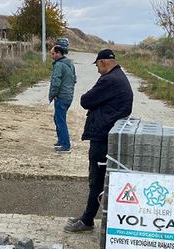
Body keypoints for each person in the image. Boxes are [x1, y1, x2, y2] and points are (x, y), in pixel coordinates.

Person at [64, 49, 133, 233]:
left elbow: (86, 100)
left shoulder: (109, 80)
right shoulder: (118, 76)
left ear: (103, 62)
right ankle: (88, 217)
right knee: (99, 179)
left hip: (102, 137)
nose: (96, 70)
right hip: (107, 134)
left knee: (96, 180)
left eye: (97, 65)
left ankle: (87, 221)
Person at [48, 45, 76, 153]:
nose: (52, 56)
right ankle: (61, 141)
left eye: (53, 54)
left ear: (58, 53)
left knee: (60, 120)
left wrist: (53, 94)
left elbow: (56, 81)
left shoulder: (59, 65)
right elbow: (74, 79)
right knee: (58, 118)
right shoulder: (70, 64)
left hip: (61, 97)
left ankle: (65, 145)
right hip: (68, 96)